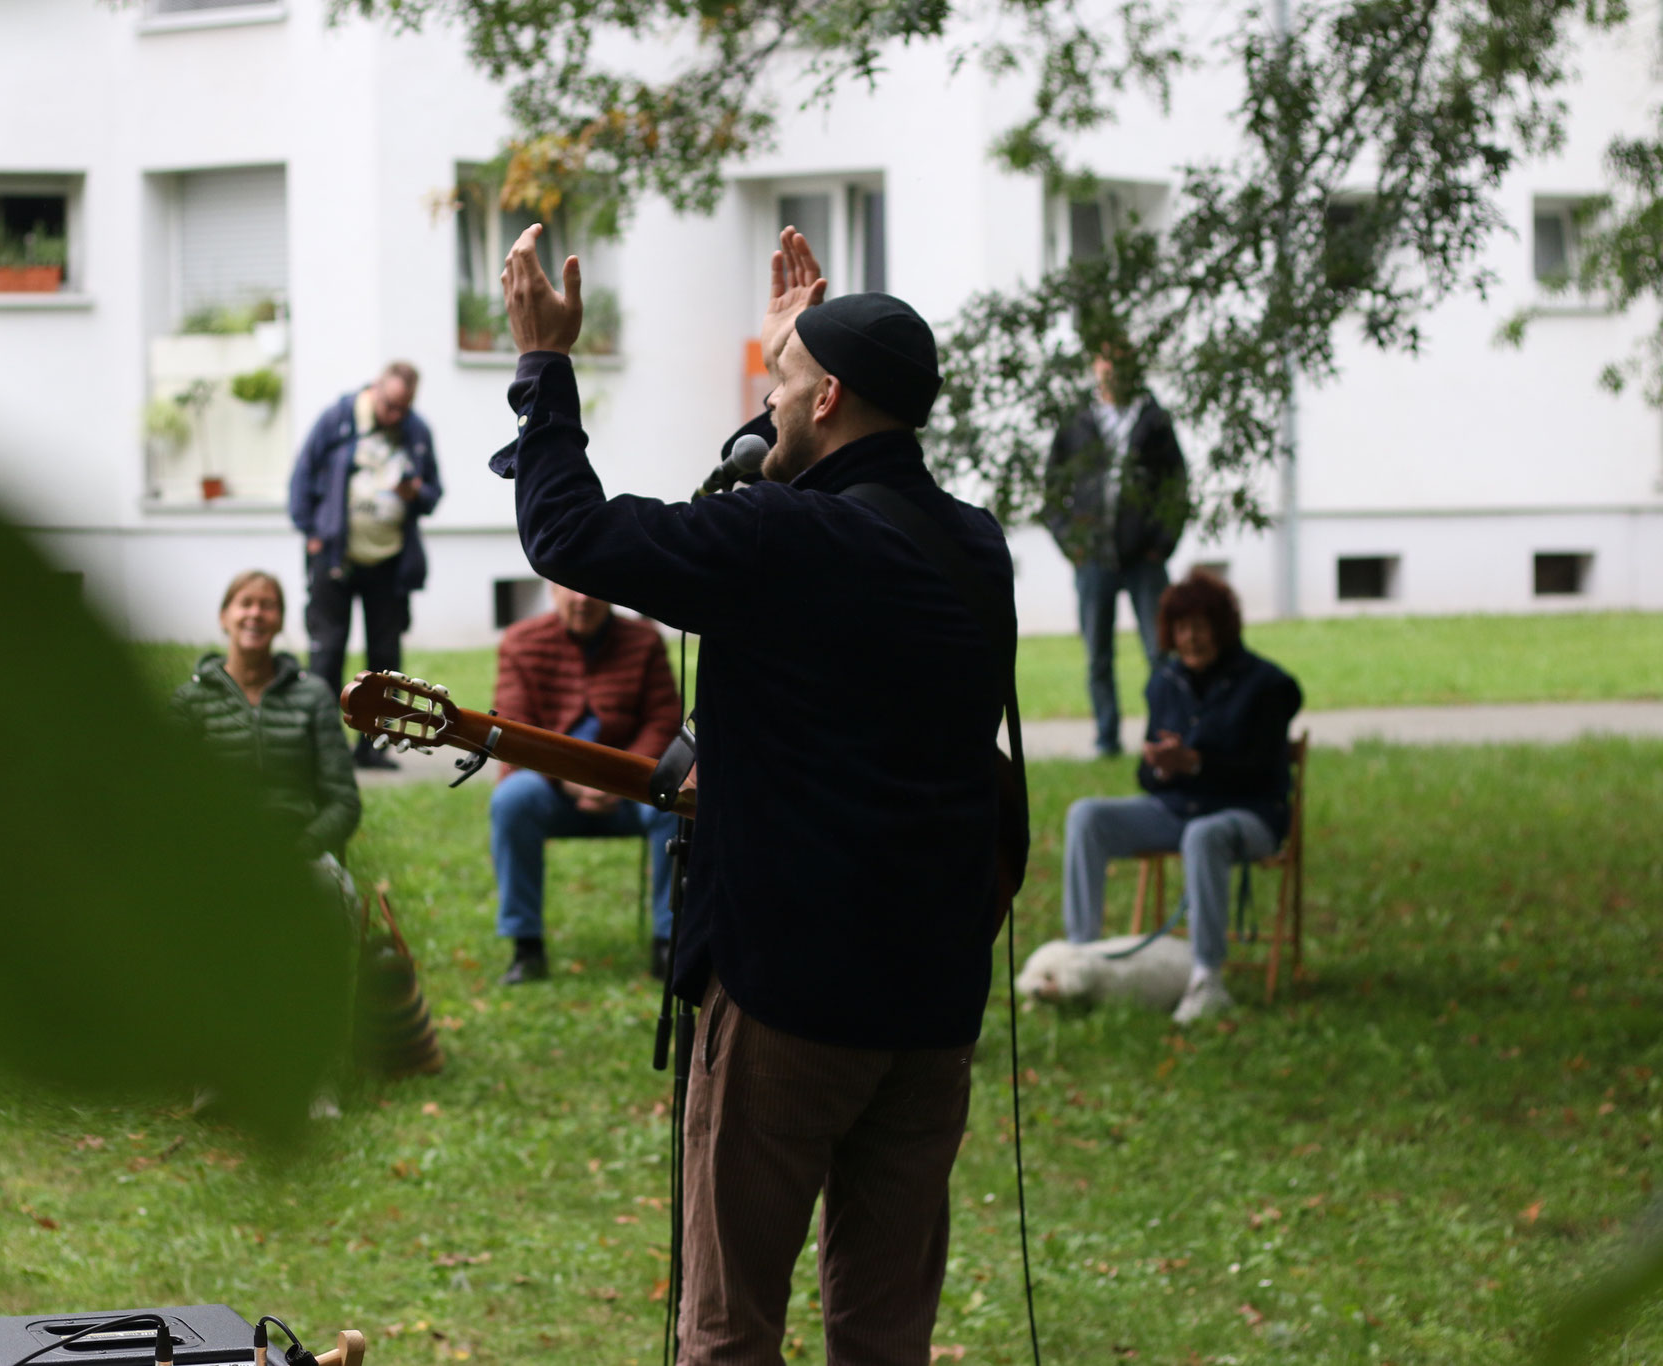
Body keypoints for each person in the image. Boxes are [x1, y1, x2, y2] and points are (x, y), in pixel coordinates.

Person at [493, 224, 1025, 1363]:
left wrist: (543, 370)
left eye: (777, 381)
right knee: (884, 1335)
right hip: (930, 1002)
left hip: (791, 993)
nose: (764, 401)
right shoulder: (975, 549)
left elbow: (567, 533)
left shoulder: (783, 538)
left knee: (728, 1328)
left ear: (827, 396)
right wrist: (800, 351)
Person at [1059, 569, 1303, 1025]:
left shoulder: (1268, 686)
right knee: (1086, 816)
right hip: (1177, 810)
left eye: (1201, 626)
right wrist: (1158, 765)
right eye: (1182, 628)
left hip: (1248, 816)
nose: (1191, 638)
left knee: (1202, 835)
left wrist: (1195, 764)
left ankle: (1208, 979)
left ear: (1221, 628)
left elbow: (1261, 771)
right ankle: (1081, 958)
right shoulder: (1164, 683)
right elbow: (1146, 780)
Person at [489, 581, 686, 985]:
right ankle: (527, 946)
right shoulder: (520, 641)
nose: (583, 599)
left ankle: (670, 943)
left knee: (680, 806)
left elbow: (663, 721)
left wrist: (618, 780)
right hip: (552, 789)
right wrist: (573, 783)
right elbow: (514, 729)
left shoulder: (644, 641)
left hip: (632, 786)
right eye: (570, 588)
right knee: (511, 800)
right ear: (550, 589)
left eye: (594, 588)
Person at [287, 360, 443, 769]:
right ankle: (320, 750)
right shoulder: (338, 418)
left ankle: (370, 750)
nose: (396, 415)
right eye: (390, 405)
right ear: (375, 389)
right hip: (335, 557)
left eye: (404, 408)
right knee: (327, 653)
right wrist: (312, 533)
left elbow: (433, 492)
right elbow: (301, 477)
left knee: (385, 661)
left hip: (390, 562)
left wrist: (415, 492)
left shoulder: (416, 430)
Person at [1042, 338, 1189, 758]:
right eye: (1107, 362)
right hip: (1093, 559)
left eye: (1123, 362)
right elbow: (1053, 490)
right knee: (1097, 658)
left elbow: (1177, 484)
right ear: (1095, 366)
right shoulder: (1076, 420)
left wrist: (1163, 543)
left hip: (1145, 558)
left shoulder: (1154, 419)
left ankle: (1162, 736)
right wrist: (1073, 545)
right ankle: (1106, 739)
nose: (1114, 371)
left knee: (1160, 653)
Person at [170, 571, 362, 879]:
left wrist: (303, 850)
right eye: (245, 603)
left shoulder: (312, 695)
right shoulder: (191, 699)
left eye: (267, 605)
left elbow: (344, 802)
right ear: (224, 616)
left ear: (281, 620)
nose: (255, 614)